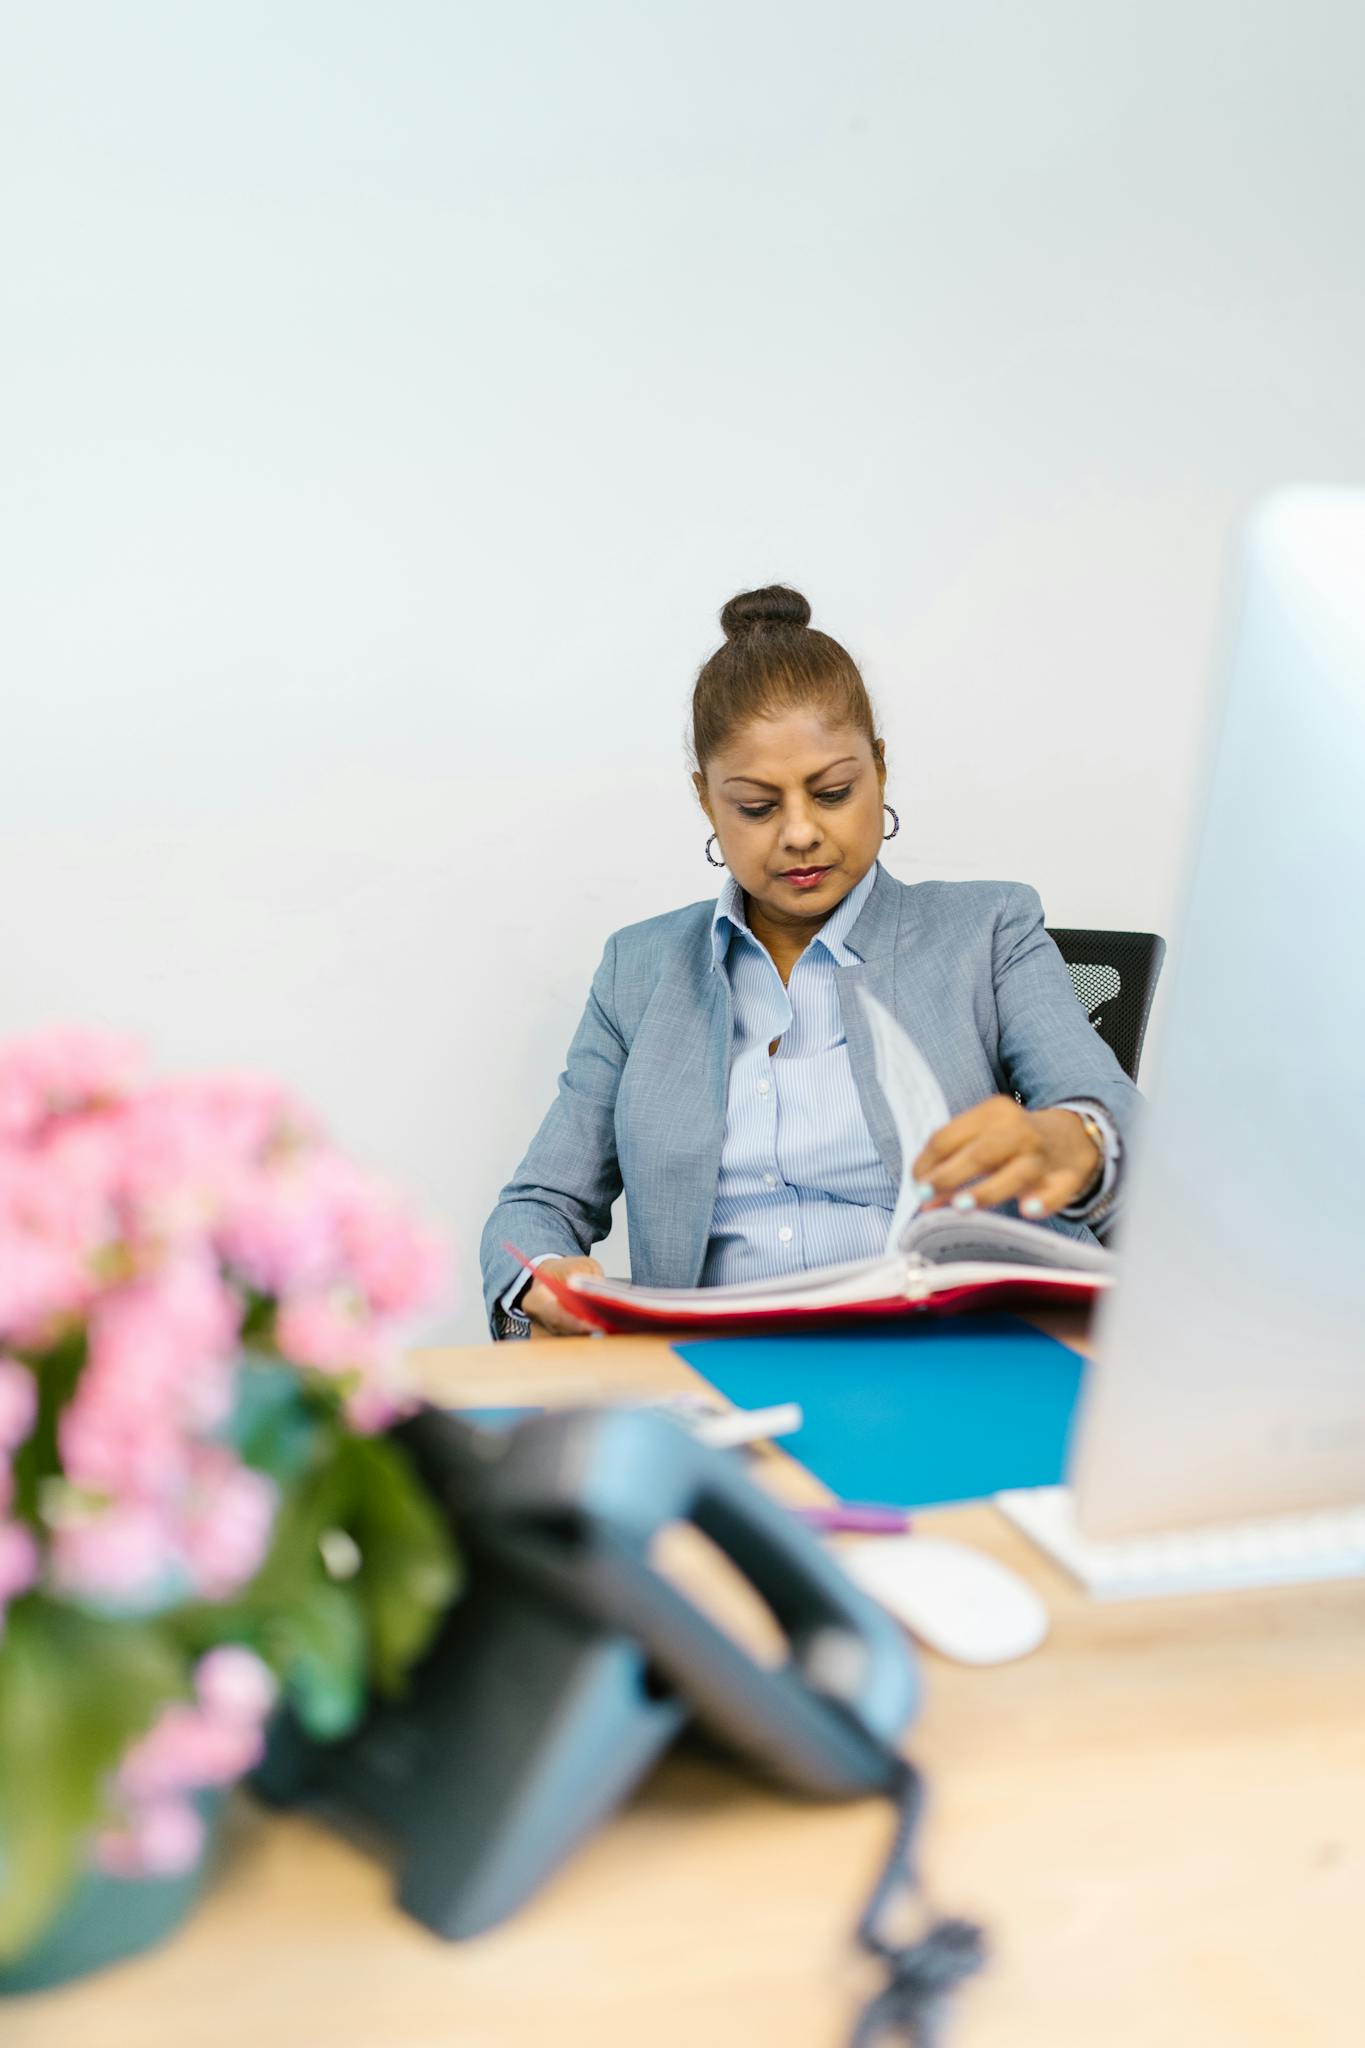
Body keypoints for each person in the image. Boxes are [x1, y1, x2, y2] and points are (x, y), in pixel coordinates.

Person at [481, 585, 1140, 1338]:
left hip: (960, 1350)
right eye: (756, 807)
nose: (799, 833)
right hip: (720, 1365)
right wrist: (542, 1276)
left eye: (832, 793)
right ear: (706, 801)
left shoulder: (986, 929)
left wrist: (1072, 1141)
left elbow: (1114, 1117)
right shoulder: (639, 970)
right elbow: (535, 1207)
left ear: (879, 770)